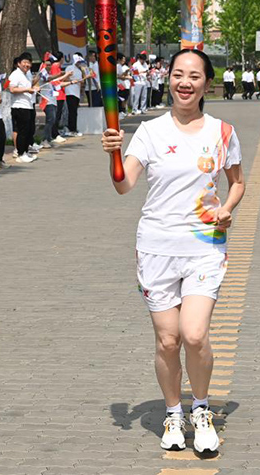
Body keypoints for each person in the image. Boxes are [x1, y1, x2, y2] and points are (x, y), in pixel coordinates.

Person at [101, 49, 245, 453]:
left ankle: (201, 409)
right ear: (169, 79)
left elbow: (237, 182)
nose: (185, 82)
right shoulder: (150, 132)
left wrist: (227, 209)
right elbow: (123, 185)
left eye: (194, 76)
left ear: (207, 84)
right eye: (178, 74)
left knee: (194, 335)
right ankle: (173, 412)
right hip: (156, 248)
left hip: (204, 247)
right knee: (168, 341)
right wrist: (114, 153)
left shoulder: (222, 132)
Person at [8, 52, 40, 163]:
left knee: (28, 131)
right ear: (19, 63)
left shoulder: (27, 74)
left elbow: (30, 85)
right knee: (22, 131)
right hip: (19, 106)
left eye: (29, 63)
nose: (27, 65)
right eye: (24, 62)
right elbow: (12, 89)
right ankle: (20, 153)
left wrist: (34, 88)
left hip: (28, 105)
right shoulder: (15, 74)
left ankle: (25, 151)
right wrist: (27, 90)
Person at [64, 54, 91, 137]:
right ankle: (72, 129)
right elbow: (65, 78)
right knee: (72, 111)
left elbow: (81, 81)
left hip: (76, 92)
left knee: (74, 111)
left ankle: (73, 128)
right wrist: (74, 80)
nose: (80, 63)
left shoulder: (79, 71)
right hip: (70, 92)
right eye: (79, 62)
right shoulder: (69, 68)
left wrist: (82, 82)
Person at [117, 53, 132, 118]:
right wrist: (126, 77)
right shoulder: (118, 66)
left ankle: (122, 111)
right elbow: (118, 76)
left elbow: (121, 75)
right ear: (119, 59)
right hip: (119, 85)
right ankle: (120, 112)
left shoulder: (120, 66)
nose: (124, 61)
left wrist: (125, 73)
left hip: (122, 85)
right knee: (121, 99)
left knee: (124, 99)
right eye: (123, 59)